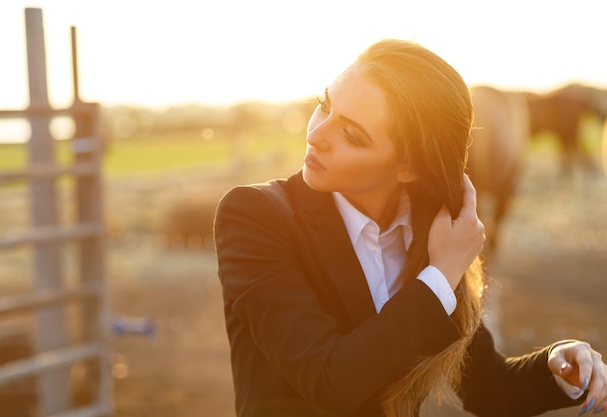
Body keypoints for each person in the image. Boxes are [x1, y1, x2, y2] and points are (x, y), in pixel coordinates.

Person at [213, 39, 607, 417]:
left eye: (351, 134)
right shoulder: (254, 216)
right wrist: (439, 278)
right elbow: (328, 382)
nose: (316, 135)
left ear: (409, 167)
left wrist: (559, 367)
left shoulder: (428, 234)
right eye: (324, 105)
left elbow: (489, 387)